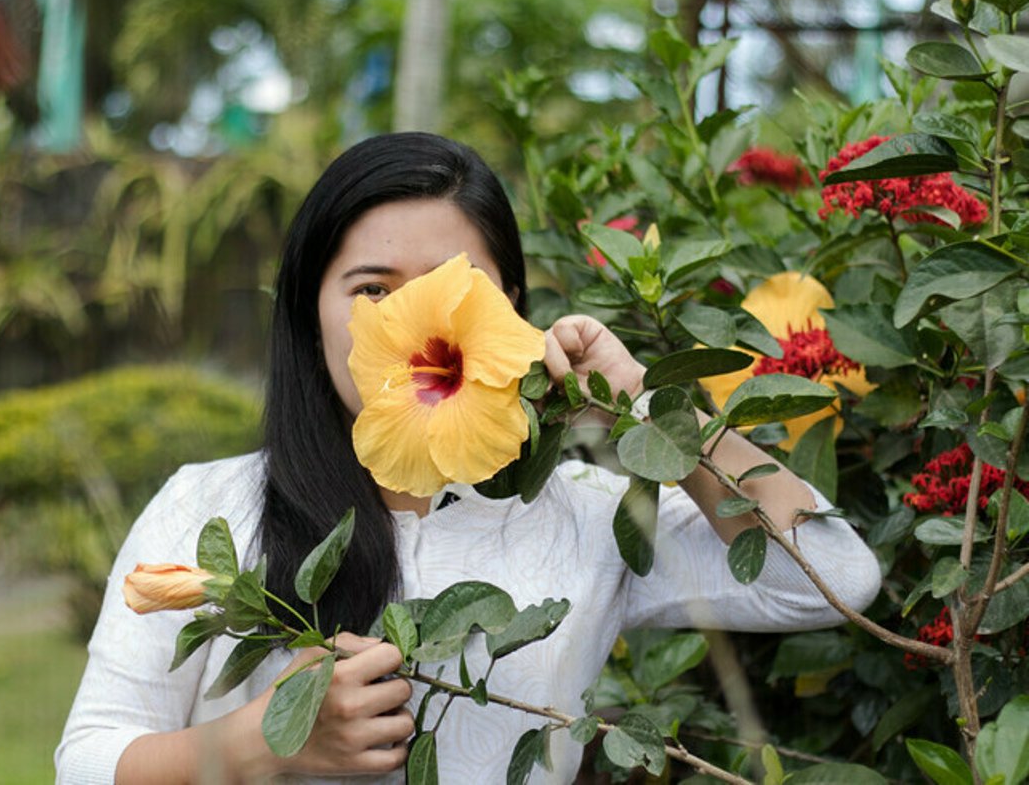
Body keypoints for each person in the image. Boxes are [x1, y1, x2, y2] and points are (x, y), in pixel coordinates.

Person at [55, 132, 882, 784]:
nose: (410, 320)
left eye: (453, 284)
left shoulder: (592, 510)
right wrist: (260, 744)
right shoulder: (209, 504)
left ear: (511, 311)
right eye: (373, 290)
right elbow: (86, 762)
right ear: (311, 312)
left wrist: (649, 403)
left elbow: (836, 577)